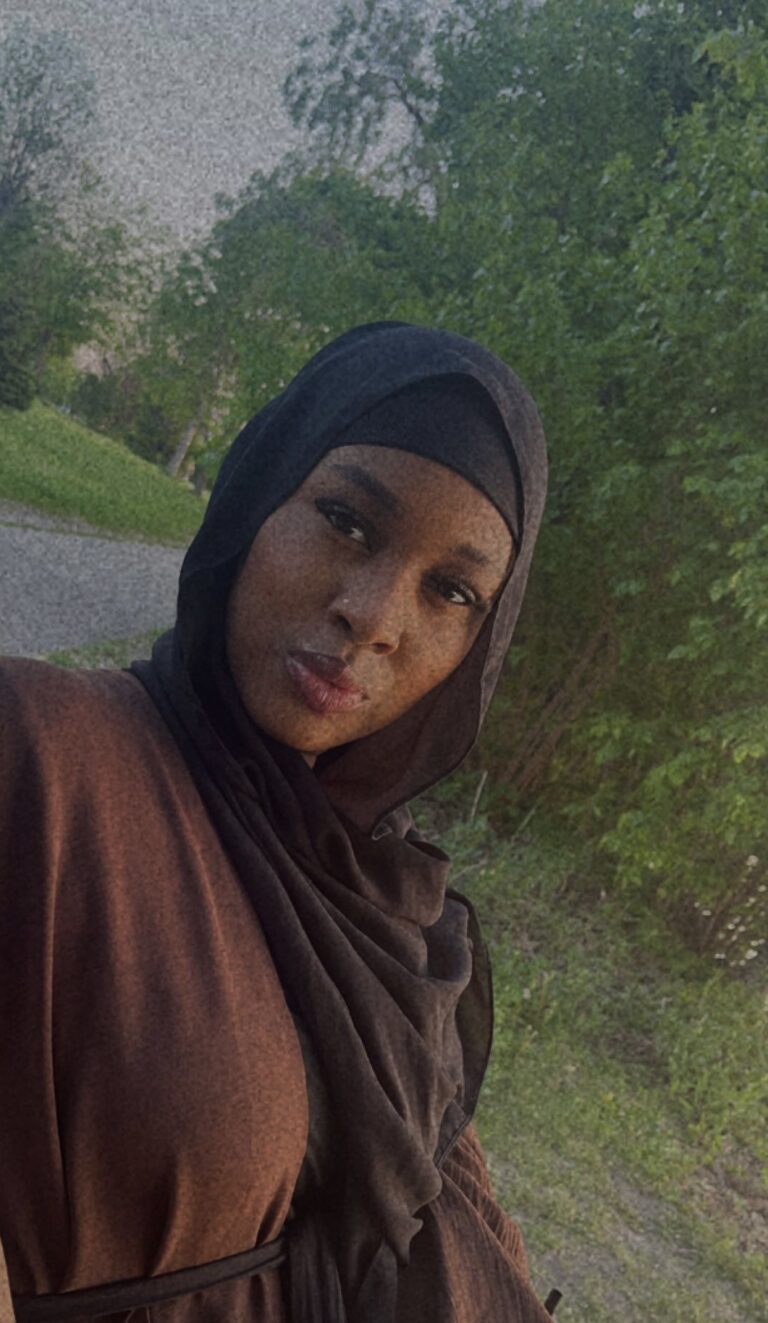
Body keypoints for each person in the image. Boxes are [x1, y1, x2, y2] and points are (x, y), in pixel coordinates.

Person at [0, 321, 557, 1321]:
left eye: (451, 591)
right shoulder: (41, 756)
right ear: (260, 495)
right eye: (347, 520)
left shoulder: (397, 908)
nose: (375, 615)